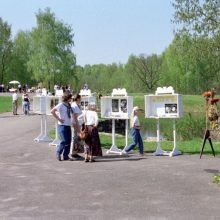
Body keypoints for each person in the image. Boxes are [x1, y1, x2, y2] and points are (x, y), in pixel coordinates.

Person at [51, 92, 74, 161]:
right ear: (68, 98)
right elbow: (52, 111)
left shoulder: (69, 105)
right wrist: (59, 119)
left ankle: (66, 155)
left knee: (68, 141)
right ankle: (58, 152)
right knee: (64, 140)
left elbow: (71, 113)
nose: (71, 99)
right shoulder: (61, 104)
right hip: (62, 125)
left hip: (68, 124)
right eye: (70, 98)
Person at [71, 93, 84, 159]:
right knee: (74, 138)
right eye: (80, 98)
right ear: (78, 99)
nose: (81, 100)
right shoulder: (74, 105)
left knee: (77, 138)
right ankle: (73, 153)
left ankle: (75, 152)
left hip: (78, 123)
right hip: (76, 124)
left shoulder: (76, 105)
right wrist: (78, 127)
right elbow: (75, 117)